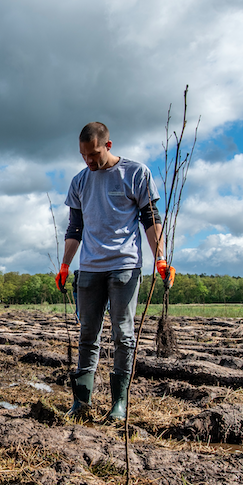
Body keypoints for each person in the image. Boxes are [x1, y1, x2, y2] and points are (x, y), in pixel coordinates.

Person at [56, 122, 168, 422]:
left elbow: (150, 217)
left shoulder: (136, 173)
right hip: (89, 269)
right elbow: (75, 228)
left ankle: (119, 404)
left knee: (123, 334)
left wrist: (160, 258)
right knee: (87, 334)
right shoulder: (79, 182)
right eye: (83, 155)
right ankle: (82, 402)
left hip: (124, 266)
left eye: (93, 154)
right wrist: (65, 264)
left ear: (108, 145)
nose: (88, 161)